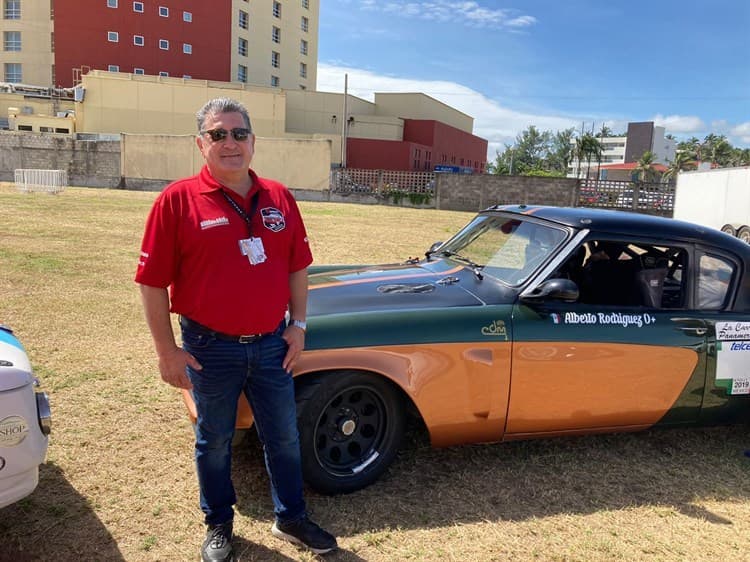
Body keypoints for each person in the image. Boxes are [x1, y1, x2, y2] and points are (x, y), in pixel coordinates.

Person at [135, 97, 337, 561]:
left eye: (239, 133)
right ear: (200, 143)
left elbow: (297, 268)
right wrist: (168, 353)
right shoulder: (177, 200)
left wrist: (299, 326)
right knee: (215, 439)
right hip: (210, 348)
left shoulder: (280, 197)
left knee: (284, 434)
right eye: (218, 133)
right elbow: (150, 284)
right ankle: (219, 523)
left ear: (253, 141)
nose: (230, 142)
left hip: (271, 345)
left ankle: (291, 518)